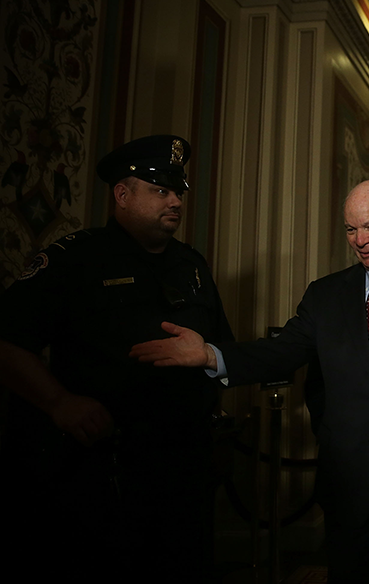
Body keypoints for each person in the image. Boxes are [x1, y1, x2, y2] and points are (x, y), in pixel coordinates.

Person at [131, 180, 369, 584]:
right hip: (348, 487)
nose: (360, 240)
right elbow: (281, 352)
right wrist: (210, 355)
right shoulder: (326, 296)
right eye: (350, 229)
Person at [0, 135, 234, 583]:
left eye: (178, 191)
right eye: (160, 190)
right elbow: (8, 342)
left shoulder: (192, 265)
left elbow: (222, 347)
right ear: (122, 195)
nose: (176, 201)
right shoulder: (76, 259)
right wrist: (58, 403)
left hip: (182, 471)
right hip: (102, 472)